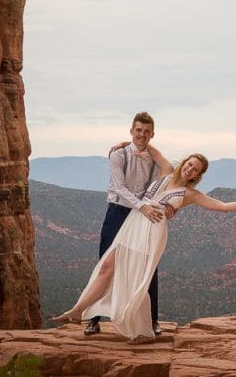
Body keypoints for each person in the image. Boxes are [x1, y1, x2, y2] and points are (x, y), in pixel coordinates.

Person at [52, 153, 236, 344]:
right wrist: (120, 146)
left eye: (195, 170)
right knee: (107, 267)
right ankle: (79, 310)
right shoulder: (166, 170)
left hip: (151, 233)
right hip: (132, 226)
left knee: (136, 278)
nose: (190, 170)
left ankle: (142, 330)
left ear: (197, 175)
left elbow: (223, 207)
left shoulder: (190, 194)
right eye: (189, 164)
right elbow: (148, 146)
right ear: (184, 162)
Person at [84, 111, 173, 337]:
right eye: (138, 130)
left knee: (147, 264)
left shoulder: (154, 158)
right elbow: (120, 188)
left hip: (141, 216)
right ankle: (93, 319)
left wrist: (169, 204)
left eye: (146, 132)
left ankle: (152, 320)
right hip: (118, 212)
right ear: (131, 131)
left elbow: (171, 172)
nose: (141, 135)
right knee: (106, 264)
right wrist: (142, 206)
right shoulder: (118, 154)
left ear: (152, 134)